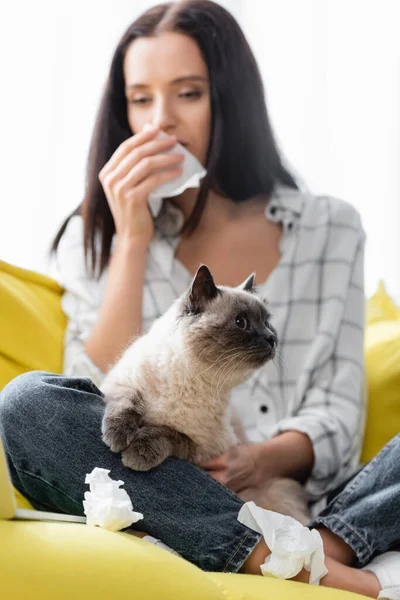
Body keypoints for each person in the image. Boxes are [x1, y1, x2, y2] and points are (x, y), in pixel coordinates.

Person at [0, 1, 399, 597]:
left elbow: (338, 413)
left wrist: (256, 461)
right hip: (158, 484)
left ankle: (314, 545)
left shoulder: (329, 227)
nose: (160, 122)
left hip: (293, 497)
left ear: (229, 100)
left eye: (187, 93)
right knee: (26, 403)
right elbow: (93, 405)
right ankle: (282, 556)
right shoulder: (99, 235)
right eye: (140, 99)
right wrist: (131, 240)